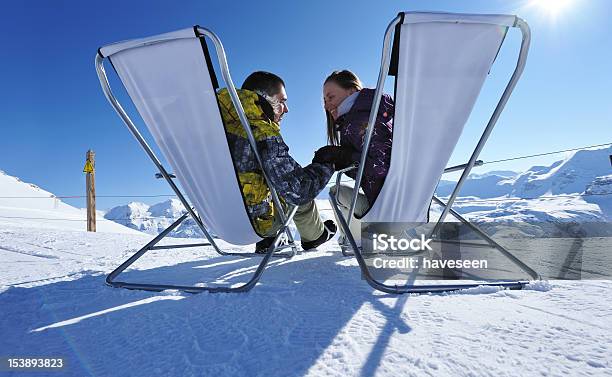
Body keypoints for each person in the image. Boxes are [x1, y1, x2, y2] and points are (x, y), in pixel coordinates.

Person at [217, 71, 337, 253]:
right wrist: (326, 163)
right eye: (282, 101)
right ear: (263, 99)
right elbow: (298, 190)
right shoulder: (262, 133)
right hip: (257, 224)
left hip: (219, 221)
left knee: (272, 182)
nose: (286, 109)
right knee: (300, 185)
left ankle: (272, 240)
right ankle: (314, 237)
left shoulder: (215, 126)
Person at [313, 70, 394, 246]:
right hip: (400, 202)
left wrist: (344, 156)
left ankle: (355, 240)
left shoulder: (360, 121)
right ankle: (355, 238)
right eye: (324, 101)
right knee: (339, 190)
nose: (327, 105)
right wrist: (345, 159)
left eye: (331, 97)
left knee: (337, 192)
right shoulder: (377, 114)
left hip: (386, 210)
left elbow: (381, 166)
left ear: (351, 92)